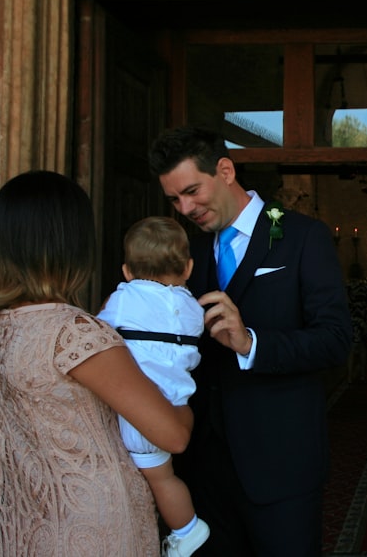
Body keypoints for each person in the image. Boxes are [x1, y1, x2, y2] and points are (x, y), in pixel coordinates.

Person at [148, 127, 353, 556]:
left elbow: (335, 340)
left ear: (224, 170)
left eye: (191, 191)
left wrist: (251, 343)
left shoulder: (302, 236)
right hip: (201, 470)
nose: (185, 208)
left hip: (282, 466)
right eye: (174, 200)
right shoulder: (188, 252)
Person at [0, 170, 194, 557]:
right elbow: (173, 435)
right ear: (73, 244)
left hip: (28, 523)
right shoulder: (74, 334)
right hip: (96, 528)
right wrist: (182, 392)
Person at [97, 216, 210, 557]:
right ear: (188, 268)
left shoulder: (124, 299)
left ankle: (187, 529)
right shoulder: (194, 308)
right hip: (175, 401)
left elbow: (94, 337)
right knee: (163, 476)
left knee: (161, 480)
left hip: (139, 412)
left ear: (127, 271)